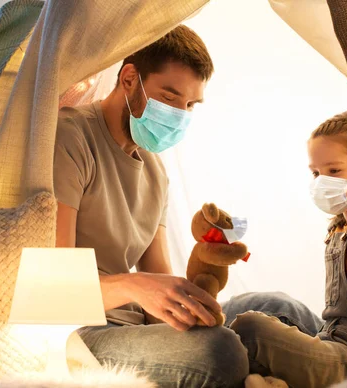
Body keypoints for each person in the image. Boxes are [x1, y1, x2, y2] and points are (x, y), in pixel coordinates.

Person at [54, 25, 249, 387]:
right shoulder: (71, 138)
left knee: (265, 313)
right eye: (170, 98)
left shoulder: (156, 172)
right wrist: (135, 286)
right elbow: (56, 284)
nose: (180, 114)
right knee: (222, 351)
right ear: (129, 78)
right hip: (89, 332)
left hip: (138, 328)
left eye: (190, 105)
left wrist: (193, 298)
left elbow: (157, 276)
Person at [227, 111, 347, 387]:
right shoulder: (339, 227)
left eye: (334, 171)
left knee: (250, 328)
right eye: (316, 173)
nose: (322, 181)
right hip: (329, 340)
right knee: (270, 313)